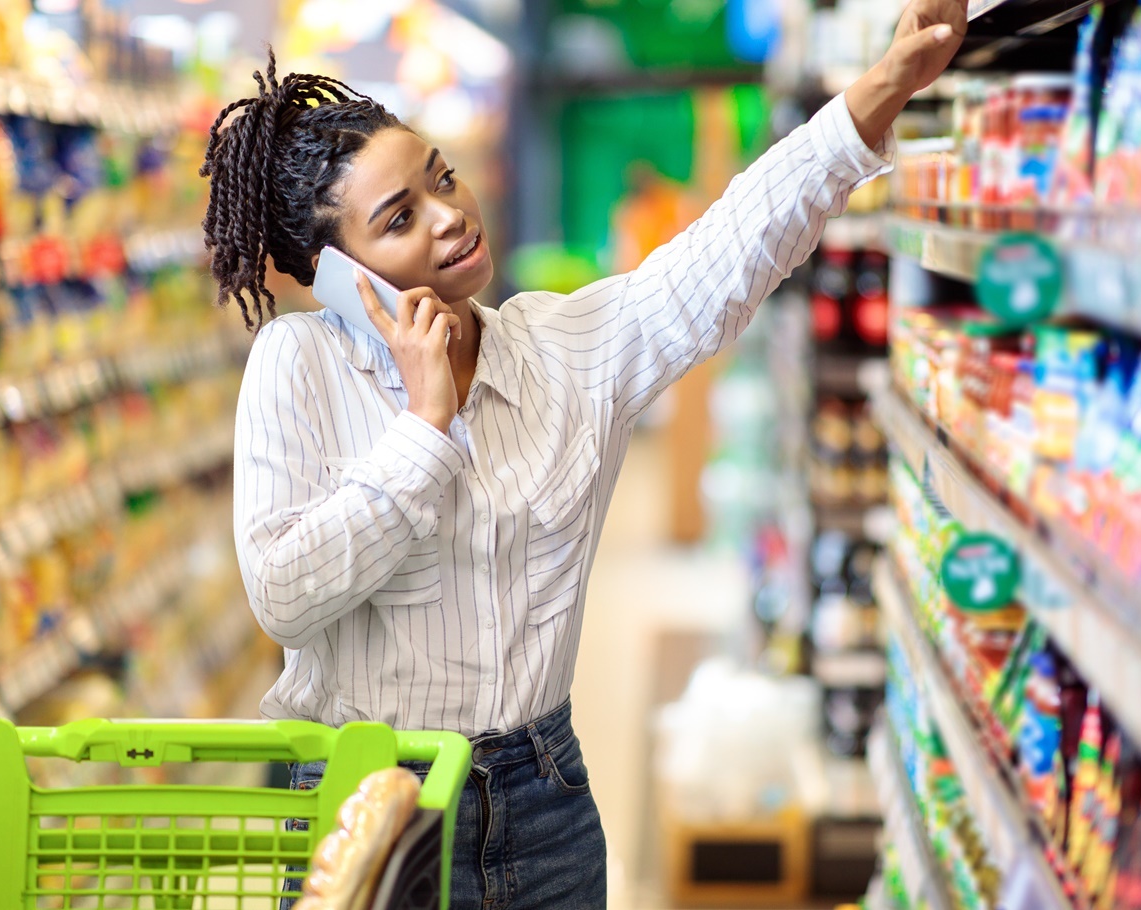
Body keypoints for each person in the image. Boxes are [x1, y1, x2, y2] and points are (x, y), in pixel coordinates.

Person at [200, 2, 965, 906]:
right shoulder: (299, 365)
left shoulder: (561, 346)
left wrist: (881, 88)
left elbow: (722, 257)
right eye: (401, 217)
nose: (450, 217)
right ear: (331, 273)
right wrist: (423, 429)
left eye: (443, 179)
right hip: (367, 804)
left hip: (541, 803)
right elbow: (283, 595)